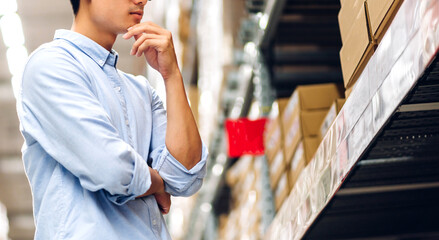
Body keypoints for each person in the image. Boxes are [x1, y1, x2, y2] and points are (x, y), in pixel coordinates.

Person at [16, 0, 208, 239]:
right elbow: (112, 169)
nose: (142, 0)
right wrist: (159, 182)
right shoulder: (50, 66)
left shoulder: (142, 92)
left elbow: (185, 176)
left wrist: (171, 75)